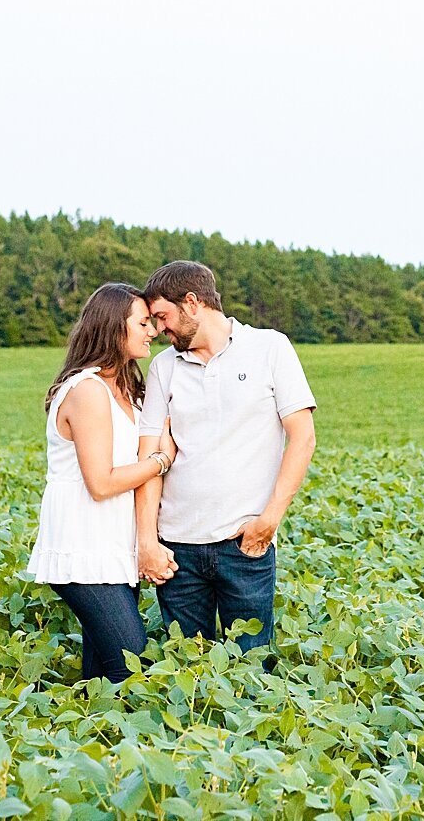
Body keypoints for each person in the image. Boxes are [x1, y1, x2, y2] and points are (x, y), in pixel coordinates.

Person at [134, 261, 316, 656]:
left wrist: (269, 520)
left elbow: (302, 438)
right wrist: (148, 539)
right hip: (176, 550)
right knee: (189, 672)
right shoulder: (164, 366)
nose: (160, 329)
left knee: (252, 668)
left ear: (193, 303)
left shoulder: (270, 348)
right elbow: (148, 454)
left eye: (163, 316)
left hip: (244, 544)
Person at [27, 283, 178, 683]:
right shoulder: (87, 391)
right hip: (83, 546)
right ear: (114, 327)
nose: (153, 331)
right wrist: (161, 460)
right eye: (143, 323)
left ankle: (87, 741)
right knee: (132, 666)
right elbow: (102, 483)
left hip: (111, 548)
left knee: (101, 676)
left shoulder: (128, 388)